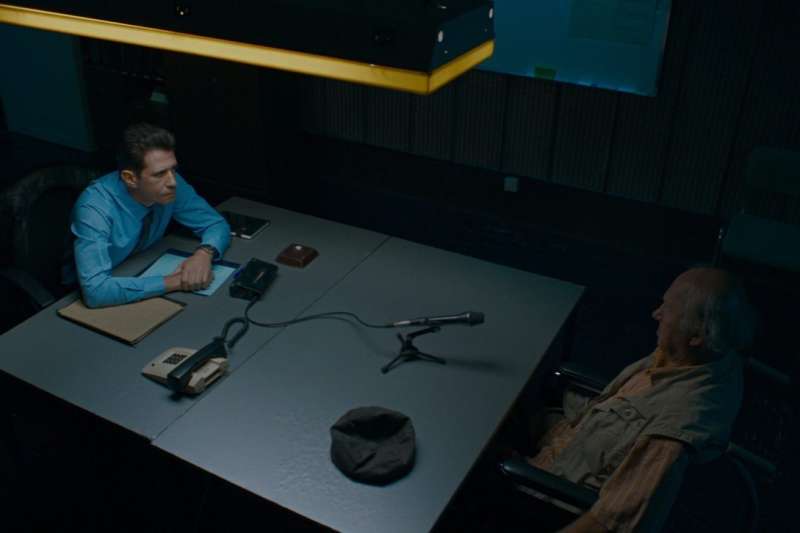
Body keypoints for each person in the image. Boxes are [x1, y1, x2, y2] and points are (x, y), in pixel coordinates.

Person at [527, 267, 755, 533]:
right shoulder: (706, 356)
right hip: (577, 436)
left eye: (667, 309)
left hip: (550, 487)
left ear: (696, 336)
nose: (656, 314)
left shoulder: (670, 433)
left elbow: (610, 523)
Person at [63, 123, 231, 308]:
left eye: (173, 169)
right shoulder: (94, 209)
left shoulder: (170, 184)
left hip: (141, 265)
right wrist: (177, 281)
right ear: (130, 178)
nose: (173, 182)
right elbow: (96, 291)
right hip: (82, 290)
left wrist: (204, 254)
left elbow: (215, 223)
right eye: (159, 174)